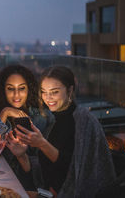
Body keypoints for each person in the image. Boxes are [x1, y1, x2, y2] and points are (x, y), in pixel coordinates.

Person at [13, 66, 116, 197]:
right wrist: (21, 155)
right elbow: (48, 167)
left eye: (54, 92)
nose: (48, 98)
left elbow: (76, 169)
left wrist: (42, 144)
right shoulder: (54, 121)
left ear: (70, 90)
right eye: (44, 92)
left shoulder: (84, 120)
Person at [0, 65, 54, 190]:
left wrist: (22, 156)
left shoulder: (41, 118)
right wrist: (4, 113)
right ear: (3, 90)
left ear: (29, 89)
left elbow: (46, 165)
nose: (16, 95)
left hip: (28, 184)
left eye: (22, 88)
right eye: (10, 89)